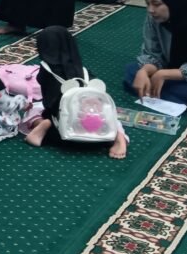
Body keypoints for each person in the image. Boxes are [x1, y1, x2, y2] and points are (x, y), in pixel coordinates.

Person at [24, 26, 128, 158]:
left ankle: (44, 126)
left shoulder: (46, 70)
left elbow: (49, 103)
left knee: (34, 110)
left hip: (64, 134)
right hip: (99, 136)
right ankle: (118, 136)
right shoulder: (83, 70)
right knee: (111, 118)